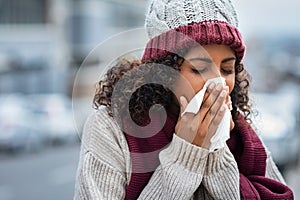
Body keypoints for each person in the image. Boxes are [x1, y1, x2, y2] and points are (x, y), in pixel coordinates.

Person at [74, 0, 294, 199]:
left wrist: (216, 150)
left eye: (227, 69)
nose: (218, 83)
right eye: (199, 68)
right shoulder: (110, 127)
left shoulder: (241, 133)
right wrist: (186, 152)